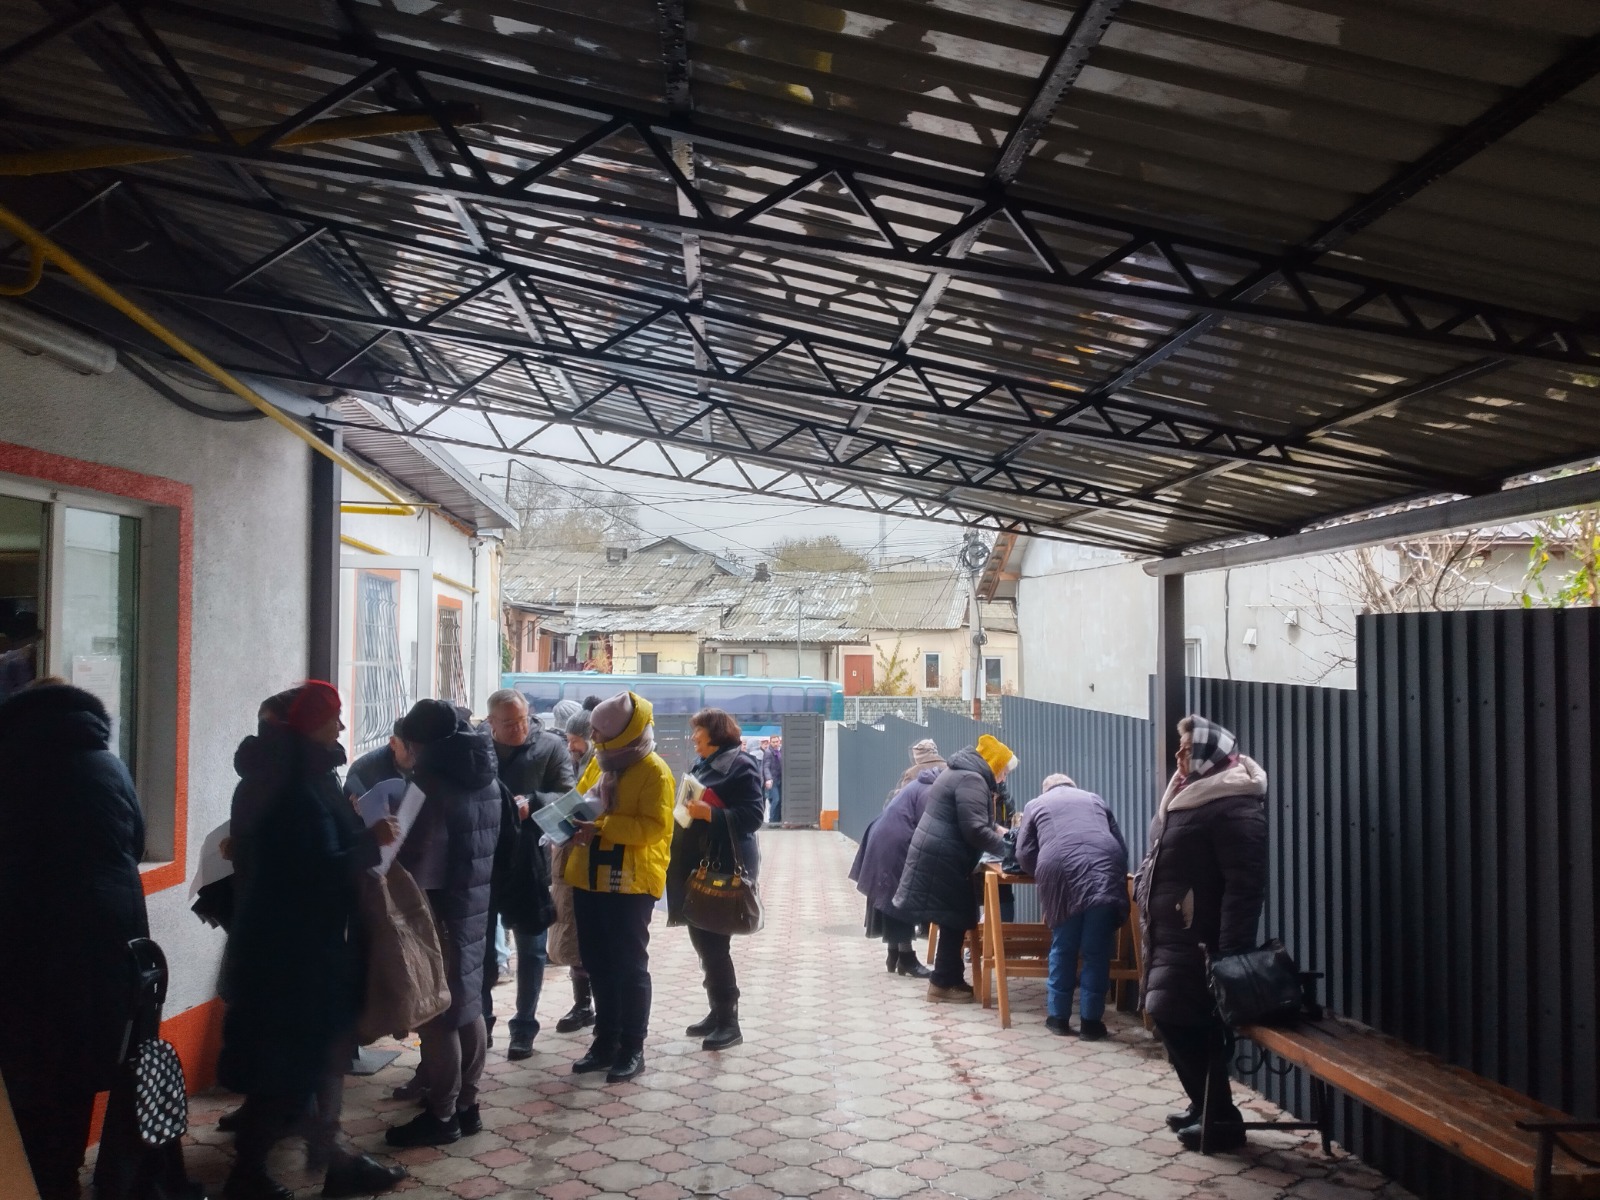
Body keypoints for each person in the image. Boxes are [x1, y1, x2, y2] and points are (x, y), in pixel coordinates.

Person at [219, 682, 406, 1200]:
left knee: (313, 1062)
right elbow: (310, 871)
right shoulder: (291, 784)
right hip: (291, 952)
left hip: (308, 944)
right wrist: (369, 841)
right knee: (289, 1069)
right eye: (333, 717)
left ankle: (334, 1162)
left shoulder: (311, 772)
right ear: (310, 723)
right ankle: (249, 1176)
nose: (342, 726)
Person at [0, 682, 151, 1200]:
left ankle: (36, 1180)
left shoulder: (12, 768)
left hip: (30, 945)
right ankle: (65, 1176)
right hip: (110, 944)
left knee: (31, 1071)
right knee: (78, 1069)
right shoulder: (109, 766)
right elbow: (136, 842)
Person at [1136, 716, 1268, 1152]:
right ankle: (1204, 1105)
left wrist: (1230, 953)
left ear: (1211, 754)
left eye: (1188, 748)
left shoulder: (1233, 802)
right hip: (1171, 933)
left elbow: (1244, 885)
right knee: (1173, 1016)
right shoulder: (1187, 792)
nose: (1179, 755)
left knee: (1179, 1016)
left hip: (1201, 939)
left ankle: (1222, 1119)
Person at [385, 699, 502, 1149]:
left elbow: (409, 857)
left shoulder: (428, 784)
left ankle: (442, 1115)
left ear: (419, 743)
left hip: (433, 909)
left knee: (436, 1014)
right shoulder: (486, 776)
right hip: (473, 902)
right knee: (468, 1003)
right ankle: (468, 1106)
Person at [563, 691, 674, 1082]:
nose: (592, 736)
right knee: (596, 963)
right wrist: (566, 820)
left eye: (599, 731)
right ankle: (604, 1042)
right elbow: (580, 799)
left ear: (622, 733)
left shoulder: (654, 770)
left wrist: (601, 827)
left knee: (629, 967)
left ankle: (632, 1047)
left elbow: (655, 827)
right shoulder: (601, 760)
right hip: (589, 876)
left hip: (630, 883)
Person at [482, 688, 574, 1060]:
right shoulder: (478, 748)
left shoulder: (550, 746)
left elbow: (568, 797)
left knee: (532, 950)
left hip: (529, 860)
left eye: (522, 720)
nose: (518, 728)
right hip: (485, 860)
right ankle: (481, 1024)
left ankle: (524, 1027)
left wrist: (534, 802)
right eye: (508, 723)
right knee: (481, 949)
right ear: (491, 722)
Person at [667, 708, 766, 1050]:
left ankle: (729, 1022)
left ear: (715, 733)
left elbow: (753, 817)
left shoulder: (741, 765)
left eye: (698, 731)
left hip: (723, 865)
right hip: (699, 861)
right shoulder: (704, 764)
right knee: (703, 940)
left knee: (713, 944)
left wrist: (710, 813)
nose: (693, 736)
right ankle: (716, 1011)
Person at [893, 734, 1015, 1003]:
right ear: (994, 766)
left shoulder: (962, 773)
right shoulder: (972, 780)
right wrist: (1012, 852)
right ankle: (943, 983)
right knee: (954, 918)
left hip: (941, 853)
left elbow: (979, 821)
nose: (1004, 777)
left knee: (955, 918)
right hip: (944, 855)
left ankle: (949, 980)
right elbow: (975, 829)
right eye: (1004, 771)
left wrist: (1003, 833)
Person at [1014, 773, 1129, 1040]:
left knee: (1063, 946)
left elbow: (1023, 852)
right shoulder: (1094, 799)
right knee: (1096, 949)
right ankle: (1091, 1023)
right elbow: (1121, 848)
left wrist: (1042, 873)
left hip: (1060, 869)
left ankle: (1058, 1018)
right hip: (1105, 865)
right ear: (1072, 786)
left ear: (1046, 789)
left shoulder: (1036, 804)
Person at [849, 739, 944, 977]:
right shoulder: (934, 787)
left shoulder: (919, 779)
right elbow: (929, 825)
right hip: (896, 840)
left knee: (893, 894)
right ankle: (907, 959)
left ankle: (895, 954)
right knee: (901, 896)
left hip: (883, 834)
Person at [549, 698, 602, 1035]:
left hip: (591, 862)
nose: (570, 747)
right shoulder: (582, 764)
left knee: (587, 937)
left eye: (574, 741)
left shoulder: (601, 765)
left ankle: (591, 1006)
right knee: (574, 934)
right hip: (572, 859)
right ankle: (583, 1004)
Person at [343, 719, 414, 803]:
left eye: (420, 748)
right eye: (410, 748)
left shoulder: (424, 765)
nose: (416, 755)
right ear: (393, 742)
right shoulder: (361, 772)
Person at [764, 735, 783, 824]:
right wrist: (768, 778)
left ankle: (777, 820)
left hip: (780, 779)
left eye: (777, 742)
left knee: (779, 800)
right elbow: (766, 767)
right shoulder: (768, 752)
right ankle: (772, 821)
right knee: (776, 799)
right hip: (773, 780)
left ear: (779, 742)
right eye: (773, 742)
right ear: (770, 743)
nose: (775, 744)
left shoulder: (781, 751)